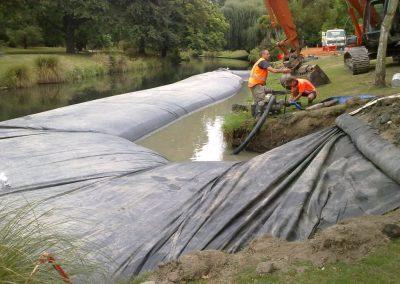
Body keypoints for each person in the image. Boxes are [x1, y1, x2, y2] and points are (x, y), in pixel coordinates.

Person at [248, 50, 291, 116]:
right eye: (267, 54)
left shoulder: (260, 61)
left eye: (269, 54)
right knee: (261, 101)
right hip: (256, 84)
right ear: (263, 55)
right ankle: (258, 118)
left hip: (255, 84)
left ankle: (255, 114)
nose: (269, 55)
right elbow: (273, 70)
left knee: (260, 98)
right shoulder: (263, 62)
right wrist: (283, 70)